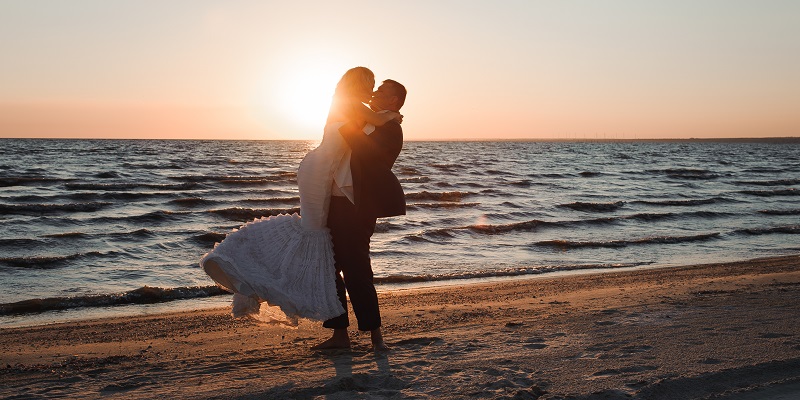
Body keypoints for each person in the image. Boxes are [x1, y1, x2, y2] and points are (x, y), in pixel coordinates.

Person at [200, 67, 402, 326]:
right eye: (371, 84)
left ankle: (281, 280)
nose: (374, 90)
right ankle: (273, 279)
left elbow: (372, 152)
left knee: (328, 249)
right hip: (319, 172)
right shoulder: (352, 105)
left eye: (379, 88)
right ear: (358, 84)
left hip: (341, 189)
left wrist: (389, 116)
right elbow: (366, 126)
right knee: (316, 241)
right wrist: (391, 114)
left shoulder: (374, 118)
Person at [312, 79, 407, 352]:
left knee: (357, 271)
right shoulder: (371, 119)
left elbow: (363, 150)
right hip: (335, 203)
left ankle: (376, 337)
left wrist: (349, 117)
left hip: (359, 207)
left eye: (381, 91)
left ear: (394, 101)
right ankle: (339, 336)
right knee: (330, 268)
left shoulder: (391, 128)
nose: (374, 93)